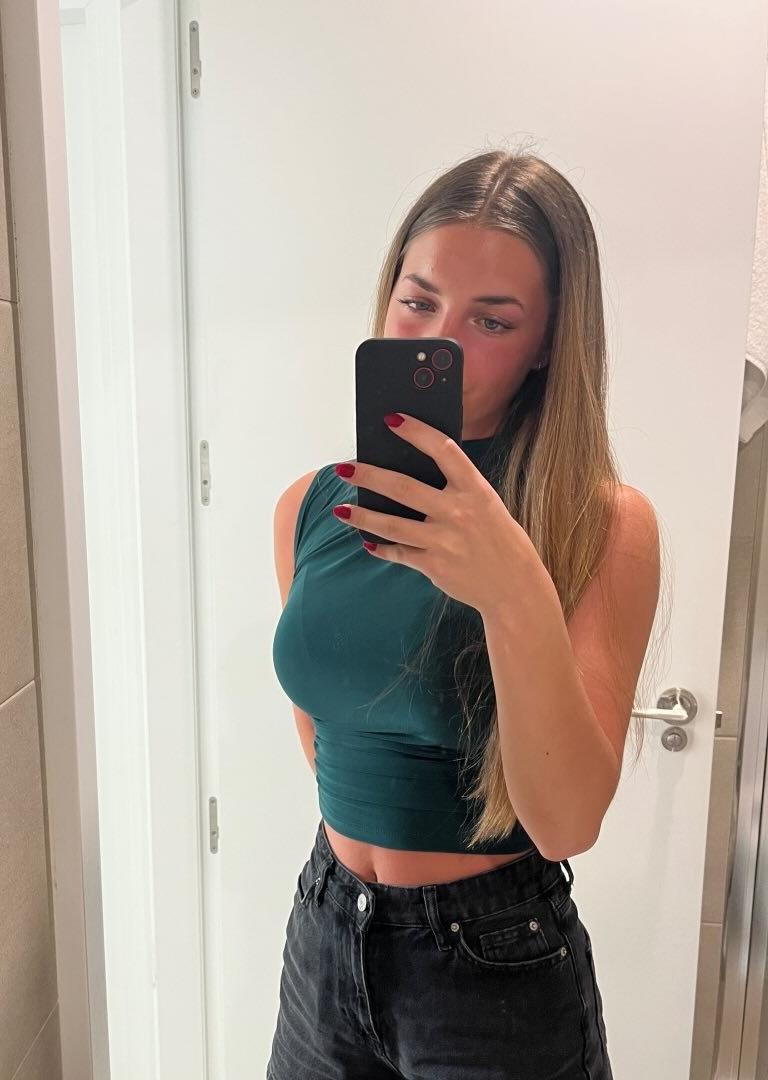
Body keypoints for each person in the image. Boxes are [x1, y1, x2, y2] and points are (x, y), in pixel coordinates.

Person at [268, 149, 663, 1079]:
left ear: (547, 344)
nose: (436, 342)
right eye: (418, 301)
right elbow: (326, 736)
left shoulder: (598, 524)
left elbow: (566, 823)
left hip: (493, 966)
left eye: (492, 320)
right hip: (325, 935)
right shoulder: (310, 507)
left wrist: (512, 589)